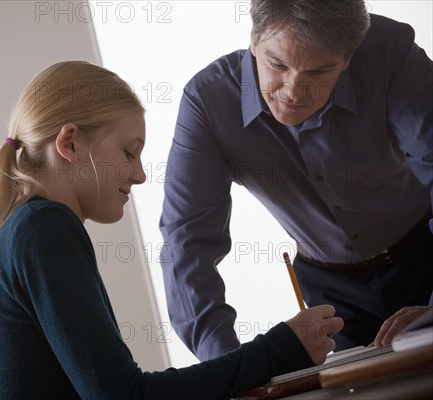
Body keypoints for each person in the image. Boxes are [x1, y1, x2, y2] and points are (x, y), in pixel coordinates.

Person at [0, 61, 343, 399]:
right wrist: (281, 348)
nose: (141, 175)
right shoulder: (43, 229)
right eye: (129, 152)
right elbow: (124, 396)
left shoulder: (27, 228)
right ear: (70, 144)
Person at [159, 0, 433, 363]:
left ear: (348, 57)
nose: (293, 91)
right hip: (329, 288)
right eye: (277, 64)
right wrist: (230, 368)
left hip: (424, 253)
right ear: (254, 40)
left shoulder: (389, 51)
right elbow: (187, 246)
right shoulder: (206, 104)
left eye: (318, 73)